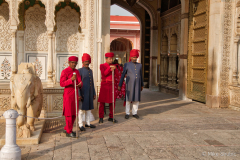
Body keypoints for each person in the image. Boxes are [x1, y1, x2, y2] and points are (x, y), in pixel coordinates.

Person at [60, 56, 82, 138]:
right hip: (68, 94)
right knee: (69, 113)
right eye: (72, 63)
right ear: (69, 63)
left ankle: (67, 128)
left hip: (75, 94)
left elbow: (80, 81)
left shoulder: (77, 71)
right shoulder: (64, 71)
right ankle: (69, 131)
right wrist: (71, 80)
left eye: (75, 63)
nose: (74, 64)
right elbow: (62, 83)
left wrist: (80, 84)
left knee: (74, 113)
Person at [118, 49, 144, 119]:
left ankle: (134, 113)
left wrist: (142, 85)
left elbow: (141, 75)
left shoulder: (140, 65)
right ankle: (127, 113)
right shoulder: (127, 64)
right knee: (128, 99)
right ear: (131, 57)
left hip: (138, 85)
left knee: (136, 99)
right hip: (129, 85)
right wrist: (120, 84)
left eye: (135, 57)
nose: (134, 58)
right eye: (133, 57)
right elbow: (123, 75)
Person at [98, 52, 118, 123]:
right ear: (106, 59)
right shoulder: (102, 65)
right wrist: (109, 68)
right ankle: (101, 117)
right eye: (109, 59)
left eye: (112, 59)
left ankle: (111, 116)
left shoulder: (114, 66)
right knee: (102, 102)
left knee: (112, 102)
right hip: (104, 85)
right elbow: (104, 74)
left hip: (111, 85)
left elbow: (117, 75)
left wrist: (115, 69)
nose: (111, 60)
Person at [78, 53, 96, 131]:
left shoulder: (91, 71)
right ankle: (80, 124)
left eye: (87, 61)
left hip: (90, 93)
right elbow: (78, 84)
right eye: (85, 61)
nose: (86, 63)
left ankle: (88, 123)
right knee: (81, 110)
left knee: (88, 109)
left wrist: (94, 93)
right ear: (82, 62)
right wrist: (79, 94)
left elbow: (92, 83)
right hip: (83, 93)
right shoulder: (79, 71)